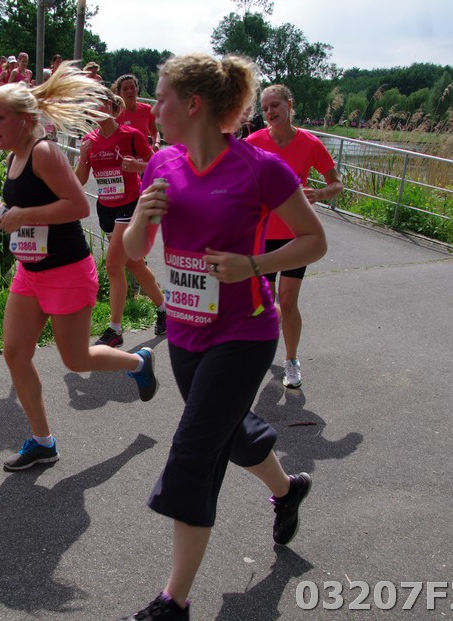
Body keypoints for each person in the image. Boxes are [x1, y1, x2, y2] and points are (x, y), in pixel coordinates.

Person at [120, 53, 327, 620]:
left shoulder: (261, 169)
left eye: (161, 98)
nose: (153, 110)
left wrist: (253, 265)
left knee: (195, 449)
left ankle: (174, 601)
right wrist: (142, 217)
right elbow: (135, 250)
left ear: (193, 105)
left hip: (244, 331)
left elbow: (314, 240)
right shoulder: (161, 162)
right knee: (229, 432)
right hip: (186, 333)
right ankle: (288, 490)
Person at [0, 62, 159, 473]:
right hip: (31, 271)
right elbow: (35, 207)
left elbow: (78, 206)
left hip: (66, 272)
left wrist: (21, 215)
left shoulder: (44, 151)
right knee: (15, 353)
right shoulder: (15, 157)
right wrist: (5, 211)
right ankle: (43, 442)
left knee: (77, 360)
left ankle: (138, 362)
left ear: (24, 119)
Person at [246, 84, 343, 389]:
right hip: (262, 234)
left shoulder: (310, 143)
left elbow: (336, 183)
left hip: (296, 236)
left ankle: (291, 360)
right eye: (265, 108)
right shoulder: (254, 142)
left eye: (275, 105)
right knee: (263, 303)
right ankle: (258, 353)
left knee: (287, 302)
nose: (270, 112)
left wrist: (320, 193)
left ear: (289, 105)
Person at [75, 90, 167, 346]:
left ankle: (115, 329)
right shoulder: (89, 140)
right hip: (106, 208)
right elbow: (80, 180)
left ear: (110, 105)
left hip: (131, 205)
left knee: (114, 265)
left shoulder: (130, 135)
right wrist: (82, 157)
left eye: (100, 103)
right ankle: (164, 309)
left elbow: (159, 166)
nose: (95, 108)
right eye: (90, 104)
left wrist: (138, 167)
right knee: (135, 265)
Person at [114, 74, 160, 150]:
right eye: (125, 89)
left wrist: (156, 143)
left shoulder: (147, 109)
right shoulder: (115, 114)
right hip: (123, 155)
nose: (130, 91)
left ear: (137, 89)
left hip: (145, 154)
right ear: (119, 93)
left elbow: (154, 131)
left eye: (132, 87)